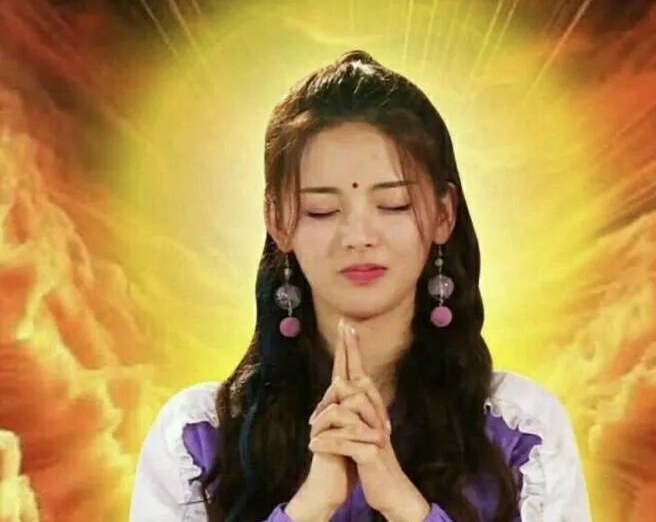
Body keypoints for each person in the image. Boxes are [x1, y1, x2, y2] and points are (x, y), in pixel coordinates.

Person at [129, 50, 592, 521]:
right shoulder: (200, 438)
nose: (358, 237)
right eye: (322, 211)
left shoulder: (521, 431)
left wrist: (403, 502)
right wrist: (310, 505)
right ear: (278, 222)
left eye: (393, 204)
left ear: (444, 214)